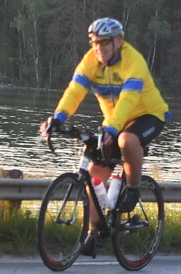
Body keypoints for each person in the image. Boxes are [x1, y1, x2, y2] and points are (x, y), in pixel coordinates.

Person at [41, 17, 169, 215]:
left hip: (148, 115)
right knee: (93, 181)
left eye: (104, 42)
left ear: (118, 41)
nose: (98, 47)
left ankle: (133, 189)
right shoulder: (90, 60)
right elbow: (75, 91)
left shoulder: (133, 61)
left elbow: (128, 99)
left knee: (126, 140)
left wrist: (112, 129)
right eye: (94, 42)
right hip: (115, 121)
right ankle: (93, 231)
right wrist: (58, 118)